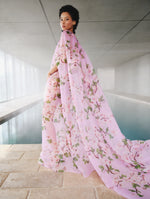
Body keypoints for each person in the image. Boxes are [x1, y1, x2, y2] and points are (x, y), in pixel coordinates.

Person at [38, 5, 150, 199]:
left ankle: (56, 155)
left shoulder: (67, 38)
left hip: (59, 86)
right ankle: (63, 152)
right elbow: (72, 61)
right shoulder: (73, 39)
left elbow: (66, 61)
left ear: (74, 21)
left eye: (66, 19)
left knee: (51, 118)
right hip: (61, 87)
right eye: (60, 19)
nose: (62, 23)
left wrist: (51, 72)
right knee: (60, 119)